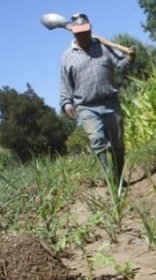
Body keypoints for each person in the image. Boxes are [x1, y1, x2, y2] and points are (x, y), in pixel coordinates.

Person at [59, 13, 135, 195]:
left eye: (85, 31)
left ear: (90, 29)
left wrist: (131, 58)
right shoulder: (67, 58)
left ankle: (118, 177)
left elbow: (121, 64)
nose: (83, 35)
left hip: (111, 102)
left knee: (117, 144)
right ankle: (110, 178)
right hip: (86, 106)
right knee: (97, 139)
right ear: (73, 33)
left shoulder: (104, 48)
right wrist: (67, 105)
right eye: (79, 32)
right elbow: (64, 86)